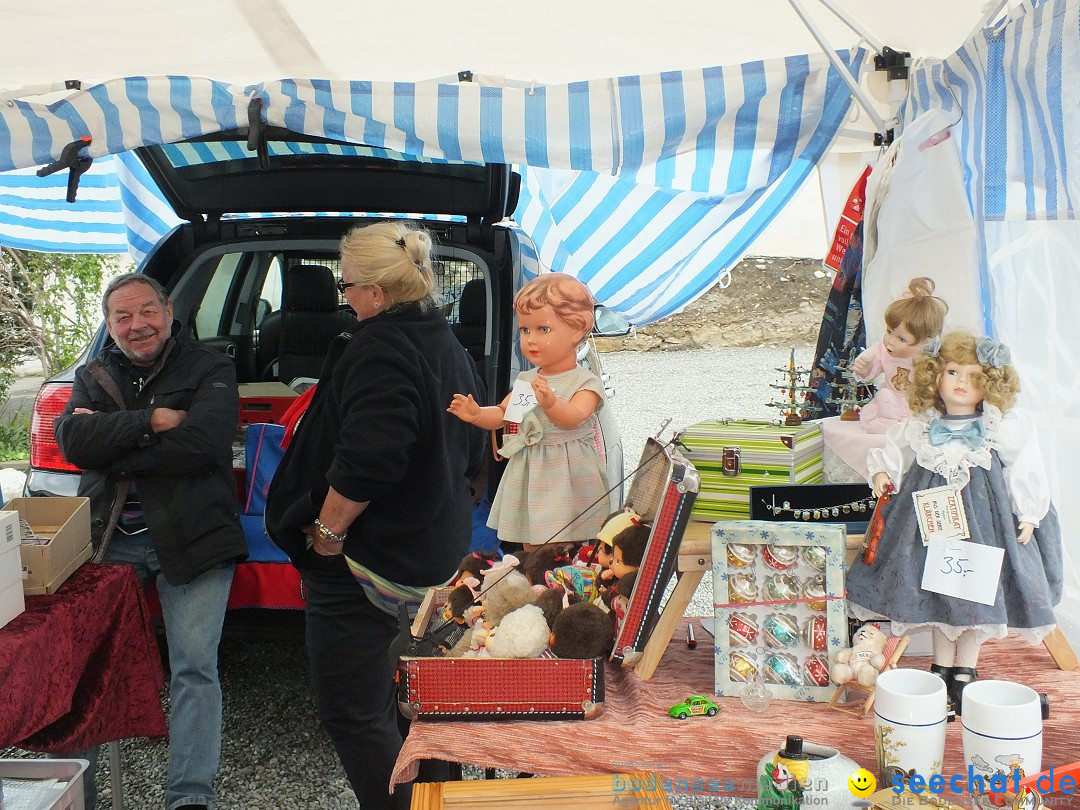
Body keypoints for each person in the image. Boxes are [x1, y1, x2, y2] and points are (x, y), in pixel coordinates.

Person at [264, 223, 485, 810]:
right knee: (425, 702)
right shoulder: (443, 340)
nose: (345, 295)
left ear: (379, 293)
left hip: (368, 563)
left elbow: (370, 459)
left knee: (354, 712)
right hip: (427, 549)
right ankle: (437, 803)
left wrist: (329, 534)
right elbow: (468, 454)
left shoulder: (381, 347)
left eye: (348, 285)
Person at [53, 273, 247, 810]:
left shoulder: (211, 366)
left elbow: (205, 443)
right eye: (122, 317)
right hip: (108, 537)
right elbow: (70, 441)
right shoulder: (94, 372)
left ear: (168, 311)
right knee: (87, 668)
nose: (136, 325)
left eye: (147, 311)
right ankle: (73, 791)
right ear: (109, 325)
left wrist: (112, 441)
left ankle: (188, 797)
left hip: (193, 537)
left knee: (193, 669)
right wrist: (153, 420)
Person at [845, 331, 1062, 714]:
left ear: (990, 384)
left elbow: (1025, 464)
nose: (962, 382)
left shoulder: (1002, 427)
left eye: (974, 376)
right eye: (952, 372)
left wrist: (1029, 513)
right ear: (934, 376)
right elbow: (896, 449)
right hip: (926, 522)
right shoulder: (923, 424)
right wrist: (883, 473)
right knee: (935, 588)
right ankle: (941, 667)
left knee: (977, 590)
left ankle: (966, 670)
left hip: (985, 522)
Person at [448, 272, 609, 549]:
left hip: (567, 474)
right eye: (525, 330)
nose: (531, 340)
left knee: (567, 542)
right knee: (532, 542)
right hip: (533, 471)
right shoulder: (527, 380)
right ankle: (538, 582)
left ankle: (562, 586)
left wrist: (551, 404)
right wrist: (476, 415)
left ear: (578, 329)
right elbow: (503, 414)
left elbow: (575, 417)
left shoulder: (585, 382)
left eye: (543, 330)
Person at [851, 276, 948, 433]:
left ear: (925, 341)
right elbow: (872, 363)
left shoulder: (929, 357)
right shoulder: (882, 349)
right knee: (871, 416)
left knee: (921, 425)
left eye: (901, 339)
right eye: (889, 331)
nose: (890, 341)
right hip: (888, 401)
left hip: (917, 404)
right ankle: (890, 424)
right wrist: (866, 368)